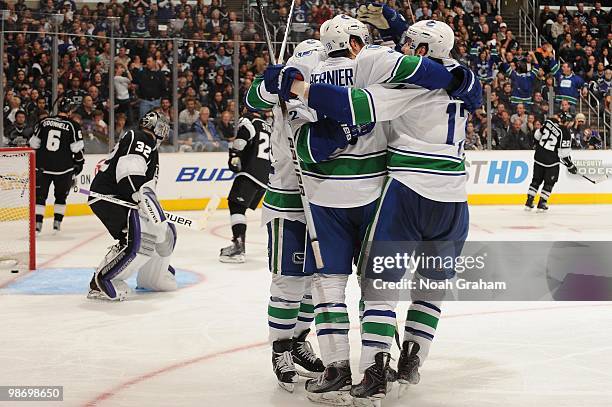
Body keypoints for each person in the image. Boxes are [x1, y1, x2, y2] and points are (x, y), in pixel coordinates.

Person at [265, 12, 480, 404]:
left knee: (363, 286)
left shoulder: (387, 72)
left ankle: (363, 370)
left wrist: (296, 86)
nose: (397, 44)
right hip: (455, 199)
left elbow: (354, 107)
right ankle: (412, 359)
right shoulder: (461, 74)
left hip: (407, 191)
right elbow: (451, 75)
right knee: (430, 287)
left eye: (407, 42)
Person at [245, 38, 330, 393]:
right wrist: (271, 81)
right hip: (287, 202)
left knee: (314, 281)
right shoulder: (282, 90)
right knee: (288, 282)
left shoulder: (326, 92)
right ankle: (280, 350)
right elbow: (253, 98)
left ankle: (298, 340)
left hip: (323, 200)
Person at [87, 110, 177, 301]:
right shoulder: (141, 137)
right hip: (110, 196)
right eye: (163, 127)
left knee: (142, 235)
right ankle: (102, 281)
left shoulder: (150, 145)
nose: (165, 132)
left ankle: (153, 272)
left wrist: (148, 204)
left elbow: (145, 185)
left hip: (121, 197)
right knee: (137, 237)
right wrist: (140, 198)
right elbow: (129, 172)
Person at [219, 110, 271, 263]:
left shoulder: (249, 120)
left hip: (251, 171)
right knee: (238, 207)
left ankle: (238, 248)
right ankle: (239, 244)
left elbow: (243, 137)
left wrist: (234, 154)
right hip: (265, 175)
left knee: (236, 206)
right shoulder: (268, 125)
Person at [28, 97, 84, 233]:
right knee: (61, 197)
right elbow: (77, 149)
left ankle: (38, 224)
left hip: (42, 167)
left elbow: (33, 144)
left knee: (40, 197)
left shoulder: (44, 121)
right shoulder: (73, 125)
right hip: (63, 169)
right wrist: (79, 163)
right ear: (70, 111)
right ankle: (57, 223)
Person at [525, 113, 577, 212]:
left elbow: (536, 136)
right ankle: (542, 202)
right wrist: (570, 166)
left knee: (536, 180)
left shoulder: (549, 122)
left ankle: (529, 201)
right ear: (566, 121)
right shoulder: (565, 132)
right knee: (549, 182)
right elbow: (564, 154)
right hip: (551, 161)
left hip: (539, 156)